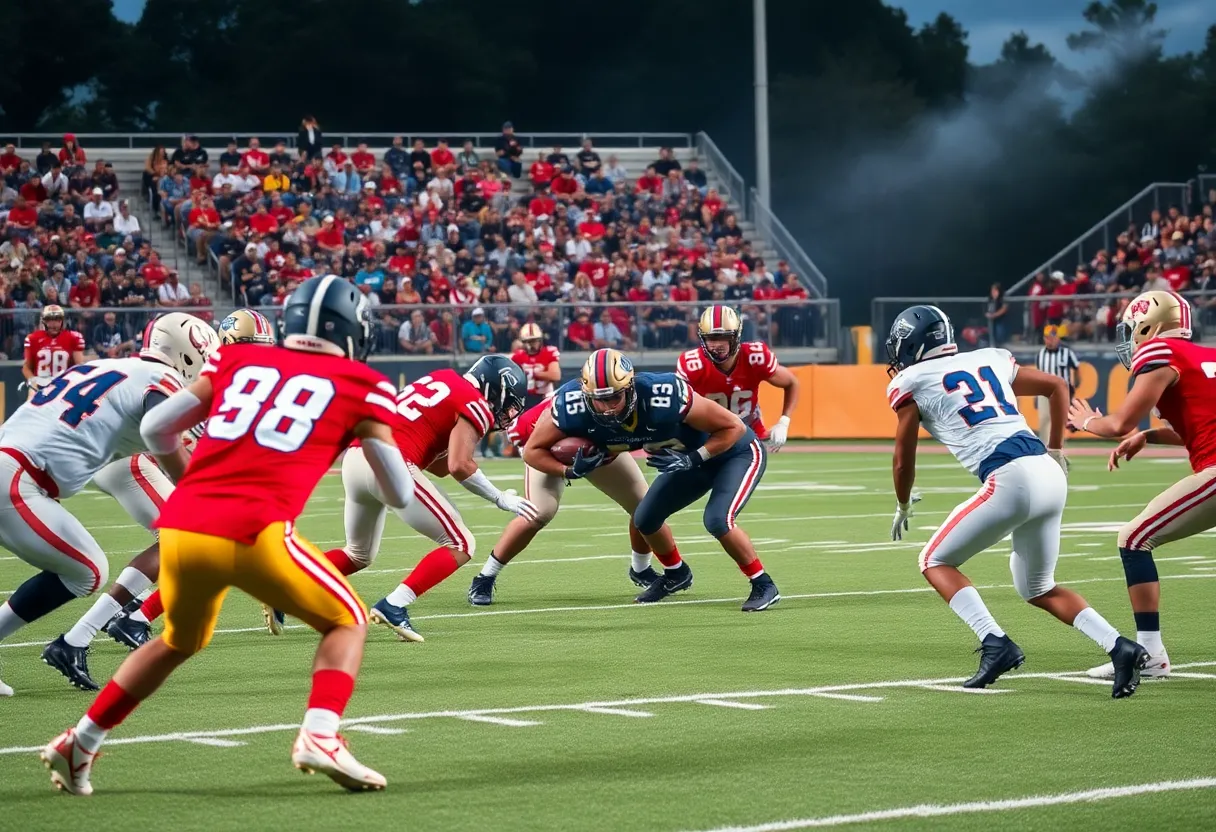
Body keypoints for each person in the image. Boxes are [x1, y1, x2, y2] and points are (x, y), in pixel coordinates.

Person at [42, 277, 414, 796]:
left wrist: (190, 476)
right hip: (254, 528)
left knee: (178, 641)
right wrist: (371, 432)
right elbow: (397, 493)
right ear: (352, 329)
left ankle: (80, 741)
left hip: (184, 525)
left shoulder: (237, 361)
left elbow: (156, 430)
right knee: (347, 619)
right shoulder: (362, 383)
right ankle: (322, 734)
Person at [884, 305, 1146, 697]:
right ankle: (1120, 647)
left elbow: (904, 458)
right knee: (1037, 587)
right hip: (1047, 472)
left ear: (913, 345)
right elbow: (1057, 386)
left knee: (933, 560)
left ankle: (995, 643)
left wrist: (903, 503)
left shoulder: (912, 379)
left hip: (1009, 476)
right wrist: (1056, 449)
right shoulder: (989, 357)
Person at [0, 314, 216, 699]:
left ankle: (85, 635)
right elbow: (158, 426)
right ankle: (84, 636)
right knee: (88, 570)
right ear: (188, 354)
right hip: (20, 477)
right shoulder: (160, 380)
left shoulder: (106, 365)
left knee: (87, 567)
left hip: (15, 466)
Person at [525, 349, 778, 612]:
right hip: (687, 461)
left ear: (630, 388)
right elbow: (532, 451)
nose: (608, 407)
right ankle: (675, 573)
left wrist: (694, 458)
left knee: (717, 520)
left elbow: (733, 428)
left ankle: (762, 583)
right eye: (599, 399)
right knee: (644, 518)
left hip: (734, 453)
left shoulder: (663, 394)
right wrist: (568, 471)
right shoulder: (572, 405)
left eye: (614, 397)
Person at [325, 355, 535, 643]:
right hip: (391, 461)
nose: (507, 412)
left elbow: (439, 465)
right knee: (461, 544)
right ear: (493, 388)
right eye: (507, 401)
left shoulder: (443, 378)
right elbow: (459, 466)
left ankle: (287, 587)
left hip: (356, 458)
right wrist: (499, 497)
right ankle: (394, 604)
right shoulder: (475, 403)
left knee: (358, 554)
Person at [102, 310, 278, 646]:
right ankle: (129, 619)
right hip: (135, 460)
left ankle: (130, 613)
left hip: (145, 460)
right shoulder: (208, 380)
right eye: (253, 347)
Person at [1067, 291, 1214, 681]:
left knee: (1134, 539)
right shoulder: (1204, 356)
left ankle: (1150, 653)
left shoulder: (1160, 352)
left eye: (1133, 329)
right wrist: (1149, 436)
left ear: (1149, 325)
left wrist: (1085, 422)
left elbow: (1116, 424)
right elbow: (1197, 431)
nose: (1130, 338)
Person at [677, 306, 799, 452]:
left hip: (749, 433)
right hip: (707, 436)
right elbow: (678, 407)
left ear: (736, 336)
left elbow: (792, 382)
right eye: (711, 338)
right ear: (702, 338)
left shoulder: (755, 357)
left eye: (724, 338)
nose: (717, 345)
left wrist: (784, 422)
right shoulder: (692, 364)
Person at [23, 305, 85, 401]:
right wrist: (32, 383)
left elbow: (79, 367)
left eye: (57, 320)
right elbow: (26, 367)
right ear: (44, 321)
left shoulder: (73, 337)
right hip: (40, 386)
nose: (53, 324)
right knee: (30, 405)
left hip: (64, 387)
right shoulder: (33, 338)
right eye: (49, 320)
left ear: (63, 321)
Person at [1034, 325, 1079, 445]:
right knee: (1044, 419)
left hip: (1060, 391)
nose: (1050, 340)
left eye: (1052, 337)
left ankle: (1058, 450)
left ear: (1058, 338)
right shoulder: (1041, 354)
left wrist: (1073, 386)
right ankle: (1045, 450)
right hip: (1044, 390)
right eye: (1047, 338)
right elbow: (1039, 373)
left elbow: (1075, 368)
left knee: (1059, 421)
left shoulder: (1067, 352)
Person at [510, 322, 561, 408]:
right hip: (526, 399)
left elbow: (556, 375)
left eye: (534, 340)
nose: (532, 344)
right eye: (528, 341)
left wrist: (532, 373)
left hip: (545, 397)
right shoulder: (517, 356)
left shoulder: (549, 352)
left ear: (540, 340)